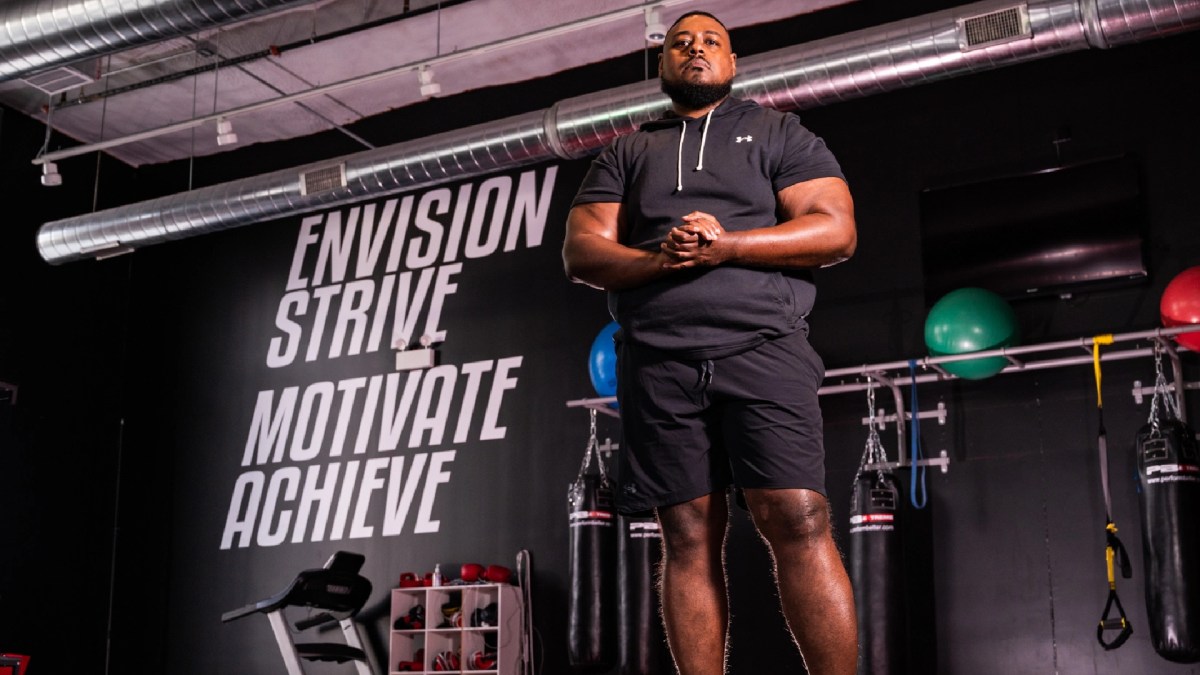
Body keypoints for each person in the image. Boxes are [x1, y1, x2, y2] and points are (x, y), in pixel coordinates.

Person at [561, 10, 858, 675]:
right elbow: (582, 252)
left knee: (799, 517)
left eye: (711, 42)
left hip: (763, 346)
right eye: (679, 43)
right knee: (687, 534)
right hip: (658, 361)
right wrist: (662, 260)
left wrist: (727, 244)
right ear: (662, 65)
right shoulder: (627, 152)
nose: (695, 50)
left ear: (732, 61)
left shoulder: (780, 132)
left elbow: (835, 231)